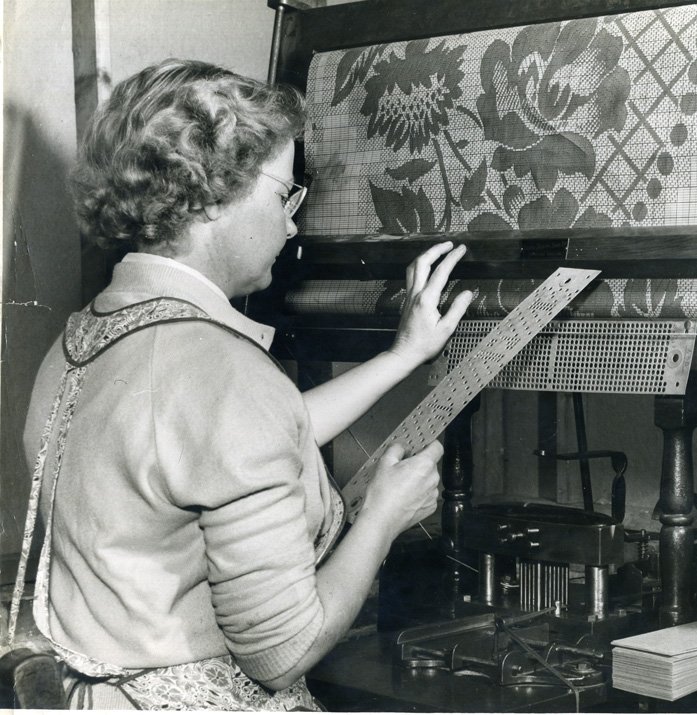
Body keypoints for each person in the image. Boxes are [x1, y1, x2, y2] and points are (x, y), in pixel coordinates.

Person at [11, 58, 473, 710]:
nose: (291, 223)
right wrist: (381, 517)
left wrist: (405, 355)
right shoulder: (225, 374)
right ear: (210, 196)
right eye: (284, 193)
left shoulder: (79, 342)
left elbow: (233, 443)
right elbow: (285, 651)